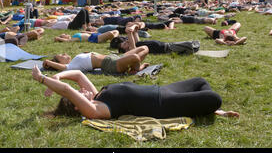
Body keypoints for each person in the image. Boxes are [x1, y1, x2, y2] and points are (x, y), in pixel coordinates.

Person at [32, 66, 239, 120]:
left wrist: (57, 77)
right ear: (77, 106)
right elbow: (69, 90)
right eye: (80, 95)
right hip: (163, 105)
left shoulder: (96, 95)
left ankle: (204, 109)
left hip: (164, 89)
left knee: (200, 81)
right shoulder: (95, 109)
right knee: (215, 99)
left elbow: (77, 75)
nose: (83, 90)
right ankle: (210, 110)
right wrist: (42, 79)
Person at [42, 46, 150, 76]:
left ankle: (132, 67)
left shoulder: (75, 59)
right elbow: (62, 69)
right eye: (61, 55)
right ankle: (137, 68)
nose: (64, 54)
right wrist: (49, 62)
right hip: (111, 65)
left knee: (144, 48)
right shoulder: (71, 66)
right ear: (60, 63)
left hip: (114, 57)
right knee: (135, 57)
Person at [110, 23, 200, 54]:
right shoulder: (134, 50)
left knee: (188, 44)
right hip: (166, 48)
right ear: (126, 50)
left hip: (165, 44)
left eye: (125, 41)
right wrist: (130, 32)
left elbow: (135, 31)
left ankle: (193, 46)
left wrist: (134, 27)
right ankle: (193, 48)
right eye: (125, 44)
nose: (127, 42)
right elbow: (129, 33)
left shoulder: (137, 44)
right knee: (188, 45)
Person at [54, 28, 119, 44]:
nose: (66, 34)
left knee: (116, 31)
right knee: (110, 33)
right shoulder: (74, 38)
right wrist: (59, 38)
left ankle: (115, 40)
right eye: (64, 35)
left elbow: (89, 33)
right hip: (95, 38)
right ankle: (116, 42)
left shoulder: (74, 35)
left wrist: (86, 31)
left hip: (95, 35)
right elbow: (68, 41)